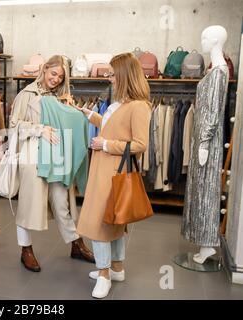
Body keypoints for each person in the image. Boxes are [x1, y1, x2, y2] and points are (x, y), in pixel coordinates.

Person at [8, 55, 94, 272]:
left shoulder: (60, 97)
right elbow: (14, 126)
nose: (56, 79)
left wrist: (71, 109)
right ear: (45, 69)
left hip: (56, 157)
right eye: (53, 73)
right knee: (28, 205)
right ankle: (25, 249)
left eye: (60, 76)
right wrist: (40, 129)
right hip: (33, 157)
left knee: (61, 201)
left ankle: (76, 243)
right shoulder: (26, 94)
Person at [76, 53, 151, 298]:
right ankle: (117, 268)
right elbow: (112, 125)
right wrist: (89, 115)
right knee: (113, 220)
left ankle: (104, 274)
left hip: (113, 171)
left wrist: (106, 144)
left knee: (100, 223)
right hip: (104, 169)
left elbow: (140, 144)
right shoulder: (121, 103)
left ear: (124, 75)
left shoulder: (139, 106)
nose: (109, 78)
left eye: (111, 74)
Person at [181, 25, 229, 264]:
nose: (202, 41)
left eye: (205, 37)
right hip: (204, 142)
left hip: (207, 144)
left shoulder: (219, 73)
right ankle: (204, 242)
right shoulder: (215, 70)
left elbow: (212, 113)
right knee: (201, 192)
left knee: (206, 192)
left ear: (216, 41)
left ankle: (208, 242)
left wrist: (203, 143)